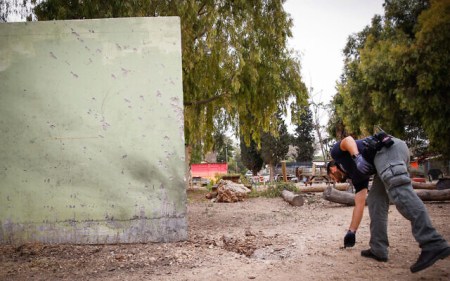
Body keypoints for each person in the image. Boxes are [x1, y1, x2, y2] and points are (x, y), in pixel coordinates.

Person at [327, 131, 450, 273]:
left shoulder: (337, 154)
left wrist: (357, 157)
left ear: (332, 168)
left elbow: (348, 140)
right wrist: (351, 232)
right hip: (381, 160)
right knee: (375, 200)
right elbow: (359, 205)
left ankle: (433, 242)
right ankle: (378, 249)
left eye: (331, 177)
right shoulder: (357, 177)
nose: (334, 180)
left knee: (400, 191)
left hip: (387, 149)